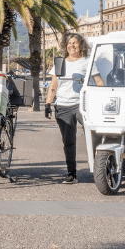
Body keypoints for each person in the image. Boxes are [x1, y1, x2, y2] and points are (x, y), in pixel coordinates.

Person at [44, 33, 92, 184]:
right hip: (63, 106)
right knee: (68, 142)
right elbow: (54, 85)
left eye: (75, 42)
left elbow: (98, 81)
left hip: (82, 105)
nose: (72, 45)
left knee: (93, 134)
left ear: (81, 45)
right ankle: (72, 174)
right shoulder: (60, 63)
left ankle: (101, 168)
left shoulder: (87, 62)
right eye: (69, 43)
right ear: (66, 46)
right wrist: (47, 104)